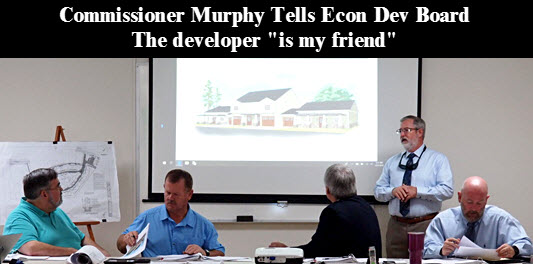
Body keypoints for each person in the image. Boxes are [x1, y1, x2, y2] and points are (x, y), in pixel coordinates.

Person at [374, 115, 453, 258]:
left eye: (407, 130)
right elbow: (378, 192)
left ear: (420, 132)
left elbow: (447, 190)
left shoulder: (437, 160)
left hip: (426, 224)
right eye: (400, 131)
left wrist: (417, 192)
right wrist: (393, 191)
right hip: (396, 226)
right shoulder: (392, 162)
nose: (402, 135)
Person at [269, 164, 382, 258]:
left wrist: (287, 251)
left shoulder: (333, 212)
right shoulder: (366, 207)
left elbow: (316, 250)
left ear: (328, 190)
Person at [3, 168, 110, 257]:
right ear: (44, 194)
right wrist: (72, 252)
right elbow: (30, 248)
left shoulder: (57, 212)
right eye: (57, 186)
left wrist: (104, 255)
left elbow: (81, 238)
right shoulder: (19, 217)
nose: (61, 189)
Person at [117, 169, 225, 257]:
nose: (170, 198)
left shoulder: (203, 224)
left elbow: (220, 253)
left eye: (176, 194)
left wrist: (205, 253)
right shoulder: (147, 218)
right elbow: (120, 245)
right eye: (167, 192)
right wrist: (126, 239)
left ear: (189, 194)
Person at [424, 176, 532, 259]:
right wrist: (441, 250)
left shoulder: (500, 219)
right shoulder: (442, 220)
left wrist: (514, 250)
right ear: (460, 197)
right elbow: (424, 249)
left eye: (479, 203)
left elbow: (526, 244)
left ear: (486, 200)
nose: (474, 209)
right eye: (469, 202)